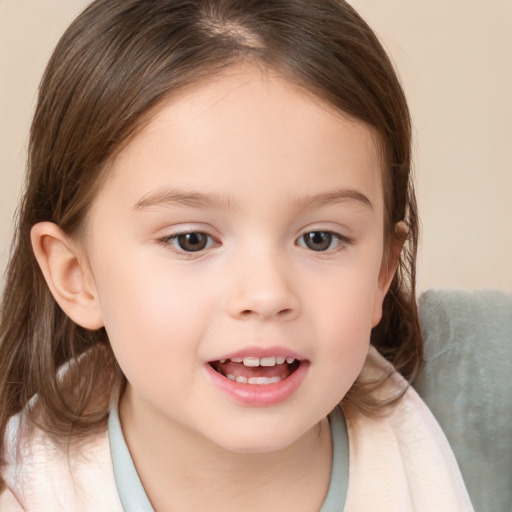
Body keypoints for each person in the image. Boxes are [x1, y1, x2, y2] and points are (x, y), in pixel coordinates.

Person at [0, 0, 473, 510]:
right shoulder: (28, 493)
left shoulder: (482, 433)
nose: (267, 294)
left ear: (382, 270)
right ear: (76, 275)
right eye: (191, 240)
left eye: (320, 238)